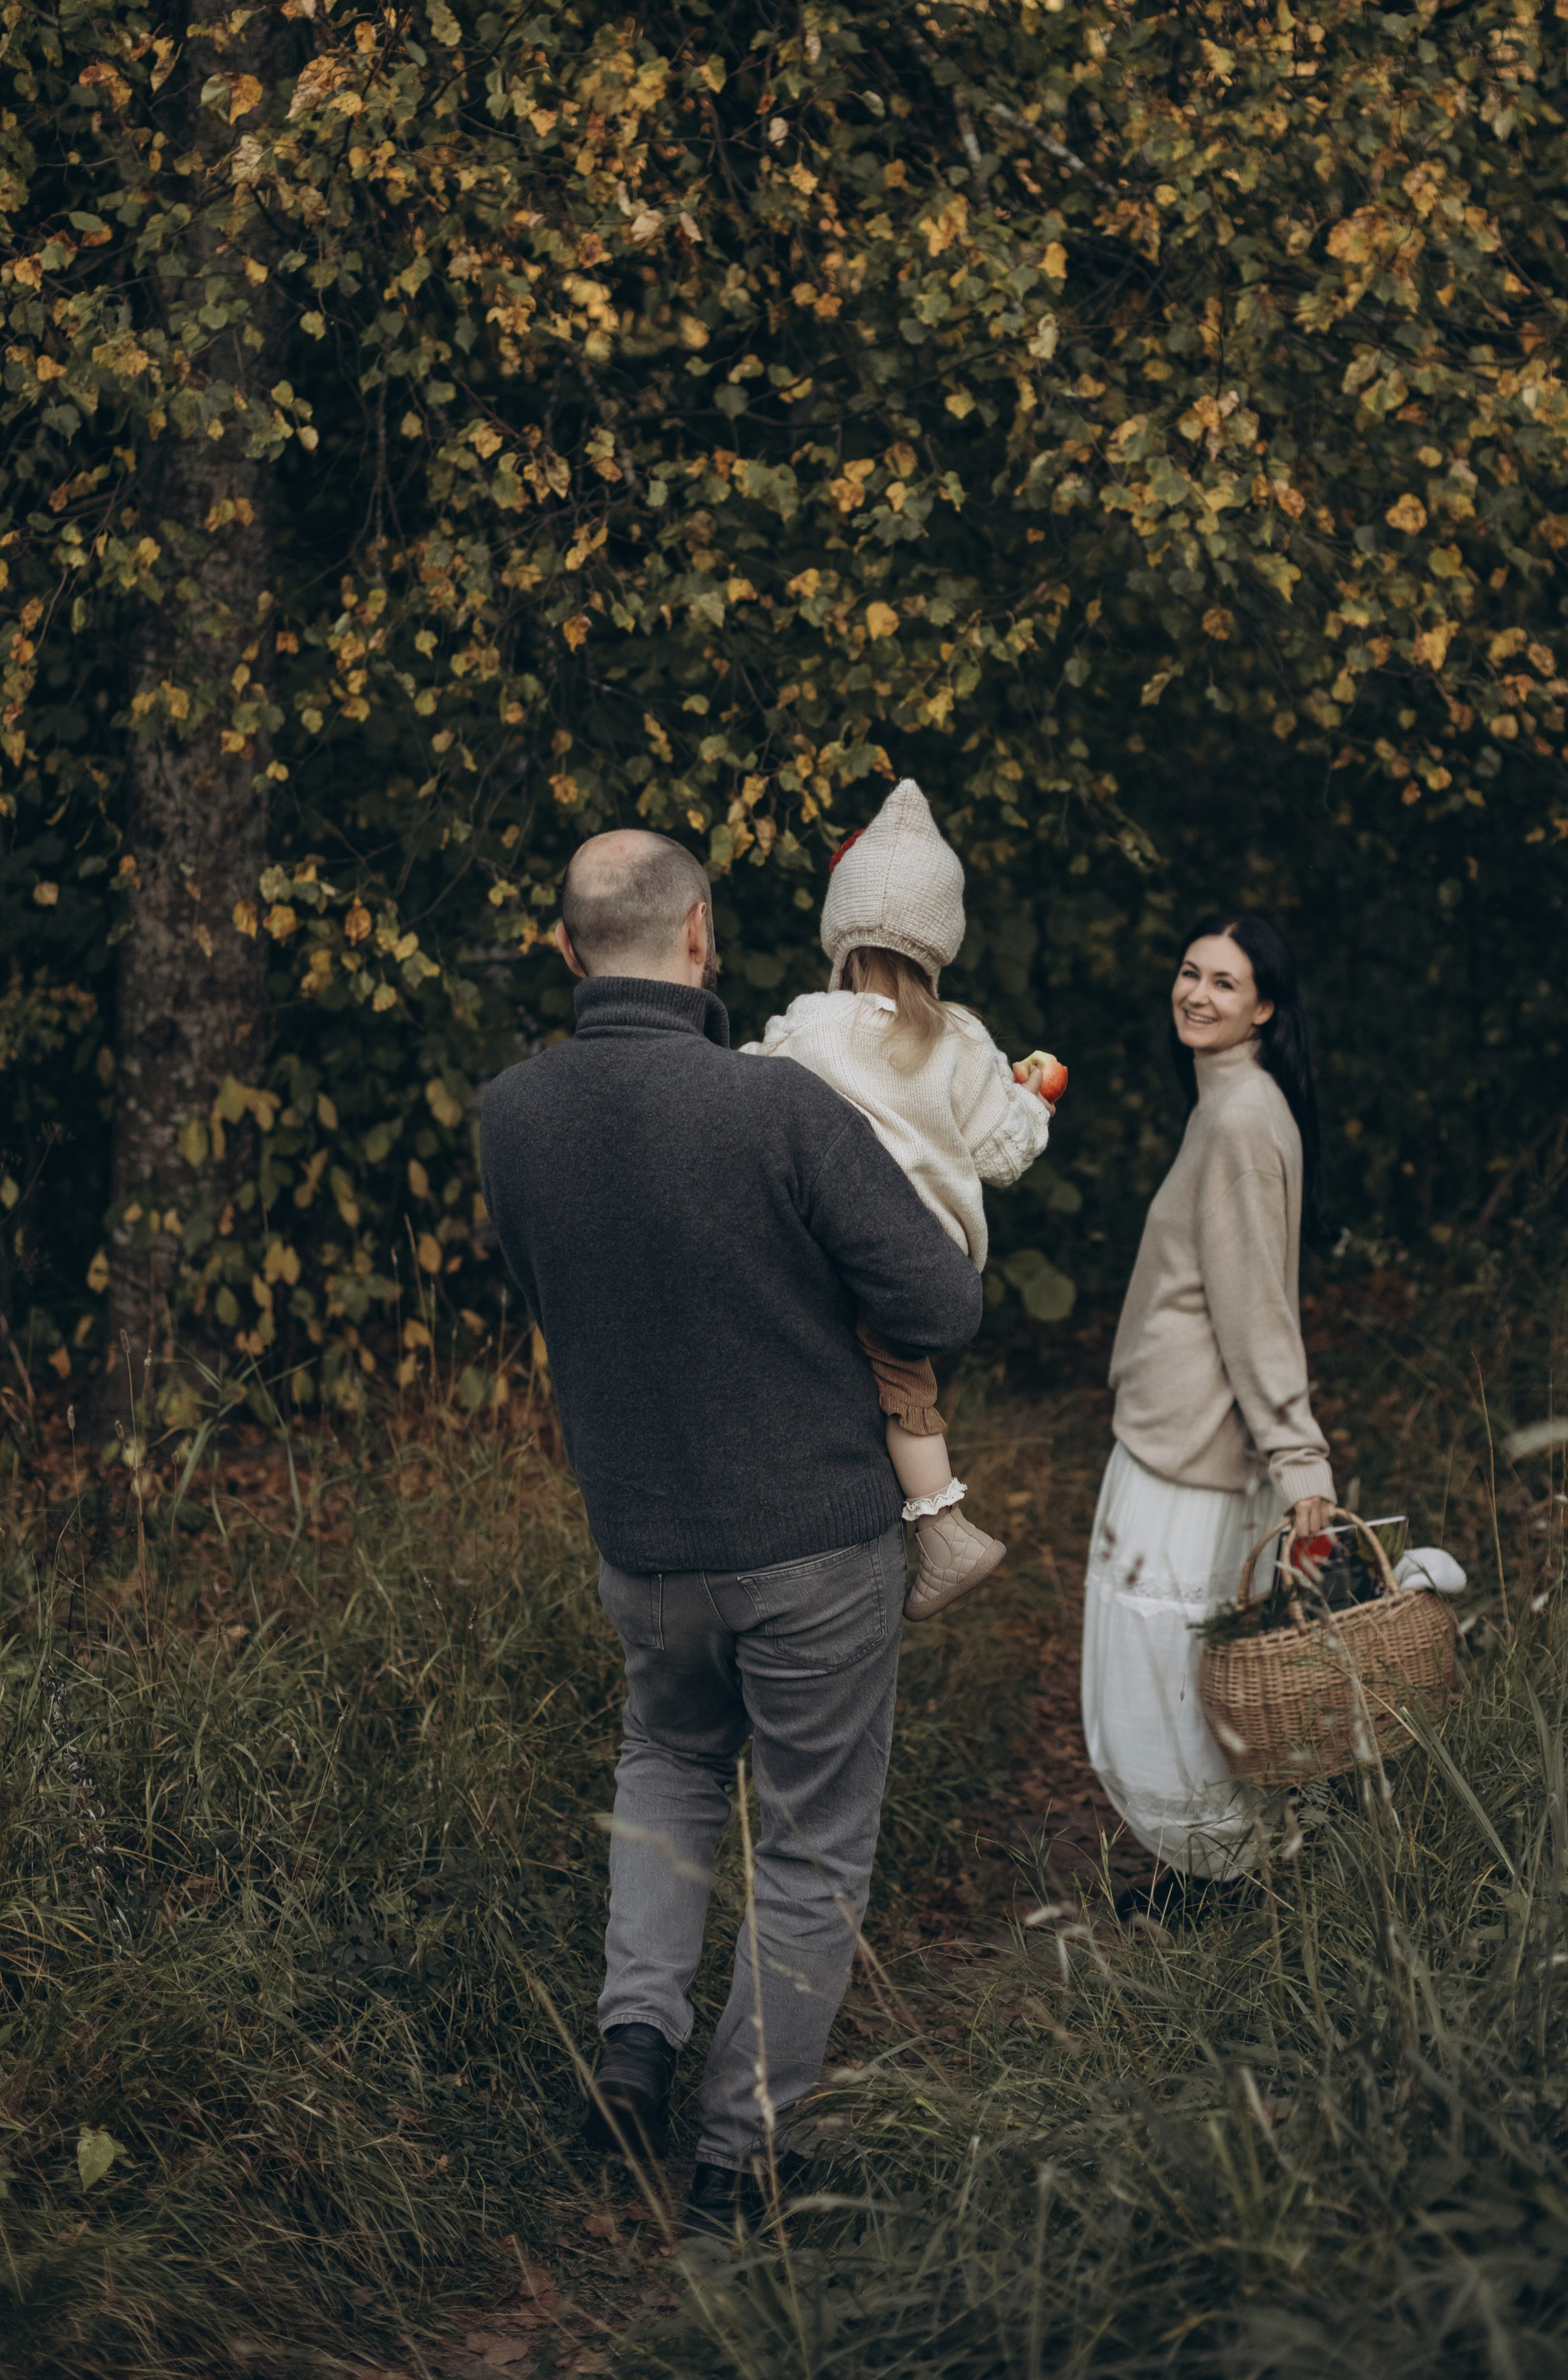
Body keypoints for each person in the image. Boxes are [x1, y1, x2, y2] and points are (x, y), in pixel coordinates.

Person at [478, 829, 982, 2237]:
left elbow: (556, 1299)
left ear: (569, 948)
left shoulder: (509, 1116)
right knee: (814, 1846)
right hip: (814, 1539)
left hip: (642, 1540)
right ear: (700, 937)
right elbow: (941, 1308)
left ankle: (634, 2043)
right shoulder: (780, 1112)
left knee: (668, 1764)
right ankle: (738, 2156)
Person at [743, 778, 1066, 1618]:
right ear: (941, 938)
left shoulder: (814, 1028)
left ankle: (948, 1531)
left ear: (839, 933)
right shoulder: (964, 1039)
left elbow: (746, 1095)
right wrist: (1037, 1099)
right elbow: (1005, 1155)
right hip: (930, 1255)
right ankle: (935, 1524)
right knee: (901, 1379)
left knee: (897, 1387)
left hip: (839, 1247)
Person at [1079, 912, 1336, 1893]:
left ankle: (1224, 1877)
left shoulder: (1238, 1118)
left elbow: (1255, 1307)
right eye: (1190, 972)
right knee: (1177, 1668)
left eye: (1224, 983)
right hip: (1171, 1427)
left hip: (1190, 1444)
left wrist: (1297, 1452)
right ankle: (1213, 1868)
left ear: (1264, 1006)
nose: (1197, 993)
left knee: (1162, 1677)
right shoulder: (1232, 1103)